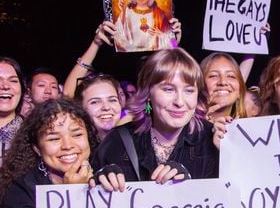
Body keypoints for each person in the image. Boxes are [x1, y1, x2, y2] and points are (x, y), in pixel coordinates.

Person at [91, 48, 218, 189]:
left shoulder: (211, 141)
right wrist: (99, 185)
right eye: (168, 89)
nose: (180, 102)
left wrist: (190, 189)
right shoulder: (118, 141)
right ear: (148, 93)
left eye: (189, 91)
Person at [114, 0, 181, 52]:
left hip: (156, 61)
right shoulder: (126, 13)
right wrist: (122, 13)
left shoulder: (159, 14)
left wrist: (171, 37)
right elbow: (118, 42)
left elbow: (174, 46)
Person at [200, 52, 248, 121]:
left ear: (239, 92)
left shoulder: (250, 128)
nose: (223, 82)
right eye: (213, 75)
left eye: (231, 76)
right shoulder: (185, 126)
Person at [74, 74, 122, 142]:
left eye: (112, 100)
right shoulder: (77, 148)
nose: (106, 107)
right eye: (95, 102)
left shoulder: (137, 141)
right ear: (81, 108)